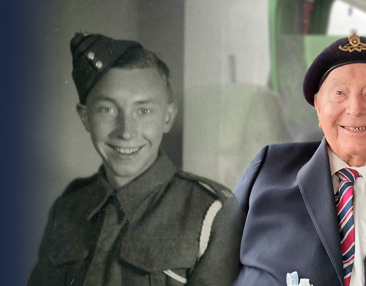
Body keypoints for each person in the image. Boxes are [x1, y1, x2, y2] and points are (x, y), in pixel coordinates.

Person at [27, 33, 242, 286]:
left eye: (144, 110)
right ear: (85, 117)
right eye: (107, 109)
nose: (126, 131)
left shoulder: (212, 213)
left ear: (167, 117)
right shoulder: (68, 207)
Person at [233, 33, 366, 286]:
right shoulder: (268, 170)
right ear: (318, 107)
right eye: (339, 92)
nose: (355, 108)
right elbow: (211, 267)